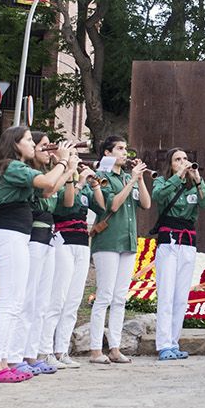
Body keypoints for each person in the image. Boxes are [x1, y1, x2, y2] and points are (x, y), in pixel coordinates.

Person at [0, 124, 76, 383]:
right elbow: (46, 181)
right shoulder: (10, 166)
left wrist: (66, 168)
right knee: (10, 303)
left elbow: (47, 191)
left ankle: (1, 362)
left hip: (17, 237)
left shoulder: (18, 168)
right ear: (15, 144)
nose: (33, 145)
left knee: (15, 302)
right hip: (9, 237)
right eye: (28, 139)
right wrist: (63, 161)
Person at [87, 136, 152, 363]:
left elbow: (146, 204)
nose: (125, 153)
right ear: (107, 153)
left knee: (120, 297)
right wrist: (132, 181)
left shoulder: (127, 177)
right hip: (108, 241)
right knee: (104, 295)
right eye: (120, 149)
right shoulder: (101, 177)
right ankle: (95, 348)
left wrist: (139, 179)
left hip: (128, 241)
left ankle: (115, 347)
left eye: (126, 149)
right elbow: (113, 204)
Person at [151, 147, 205, 360]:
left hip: (188, 242)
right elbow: (158, 196)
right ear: (170, 164)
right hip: (168, 241)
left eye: (186, 159)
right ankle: (163, 344)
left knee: (180, 297)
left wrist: (197, 179)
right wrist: (178, 176)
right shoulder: (162, 181)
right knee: (166, 294)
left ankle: (174, 342)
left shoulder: (193, 186)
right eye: (178, 160)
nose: (184, 163)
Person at [44, 154, 103, 368]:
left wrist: (95, 185)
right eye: (74, 160)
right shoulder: (58, 183)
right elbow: (66, 205)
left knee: (73, 301)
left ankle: (62, 350)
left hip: (82, 243)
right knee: (57, 299)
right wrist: (76, 181)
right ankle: (46, 350)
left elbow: (103, 208)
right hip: (63, 241)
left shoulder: (85, 187)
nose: (78, 164)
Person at [12, 132, 61, 375]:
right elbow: (48, 190)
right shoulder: (30, 176)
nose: (46, 150)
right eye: (42, 146)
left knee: (41, 301)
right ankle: (18, 354)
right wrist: (65, 164)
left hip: (48, 239)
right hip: (33, 238)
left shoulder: (45, 173)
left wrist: (68, 169)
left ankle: (31, 355)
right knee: (28, 300)